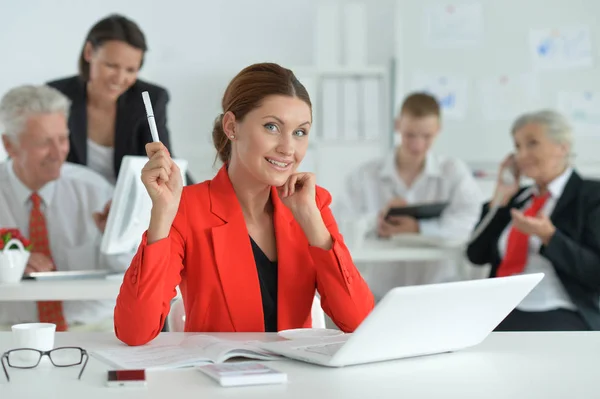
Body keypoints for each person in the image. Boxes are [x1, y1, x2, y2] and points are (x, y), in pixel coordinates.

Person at [114, 63, 375, 346]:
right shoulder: (187, 208)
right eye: (272, 127)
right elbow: (134, 332)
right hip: (219, 382)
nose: (288, 148)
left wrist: (312, 222)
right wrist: (162, 214)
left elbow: (359, 322)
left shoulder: (312, 204)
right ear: (231, 127)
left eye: (300, 132)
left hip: (296, 383)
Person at [0, 85, 134, 331]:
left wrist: (113, 238)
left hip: (94, 328)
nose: (58, 153)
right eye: (43, 142)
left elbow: (132, 273)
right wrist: (7, 264)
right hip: (11, 330)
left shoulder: (94, 189)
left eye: (62, 139)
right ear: (9, 145)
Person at [336, 93, 483, 300]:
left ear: (438, 130)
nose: (417, 145)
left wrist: (419, 229)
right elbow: (341, 226)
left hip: (438, 292)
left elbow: (466, 224)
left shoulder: (453, 172)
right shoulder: (364, 175)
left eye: (426, 136)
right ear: (398, 126)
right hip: (382, 295)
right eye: (410, 135)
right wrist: (377, 220)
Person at [467, 110, 600, 331]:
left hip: (559, 307)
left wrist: (550, 237)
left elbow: (596, 274)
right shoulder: (518, 199)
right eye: (517, 147)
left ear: (562, 147)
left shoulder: (590, 196)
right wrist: (501, 198)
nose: (522, 155)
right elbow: (475, 255)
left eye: (532, 144)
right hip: (501, 307)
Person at [47, 14, 191, 185]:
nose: (119, 78)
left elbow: (165, 162)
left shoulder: (152, 99)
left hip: (130, 199)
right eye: (111, 66)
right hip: (73, 199)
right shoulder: (56, 94)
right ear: (88, 52)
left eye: (130, 70)